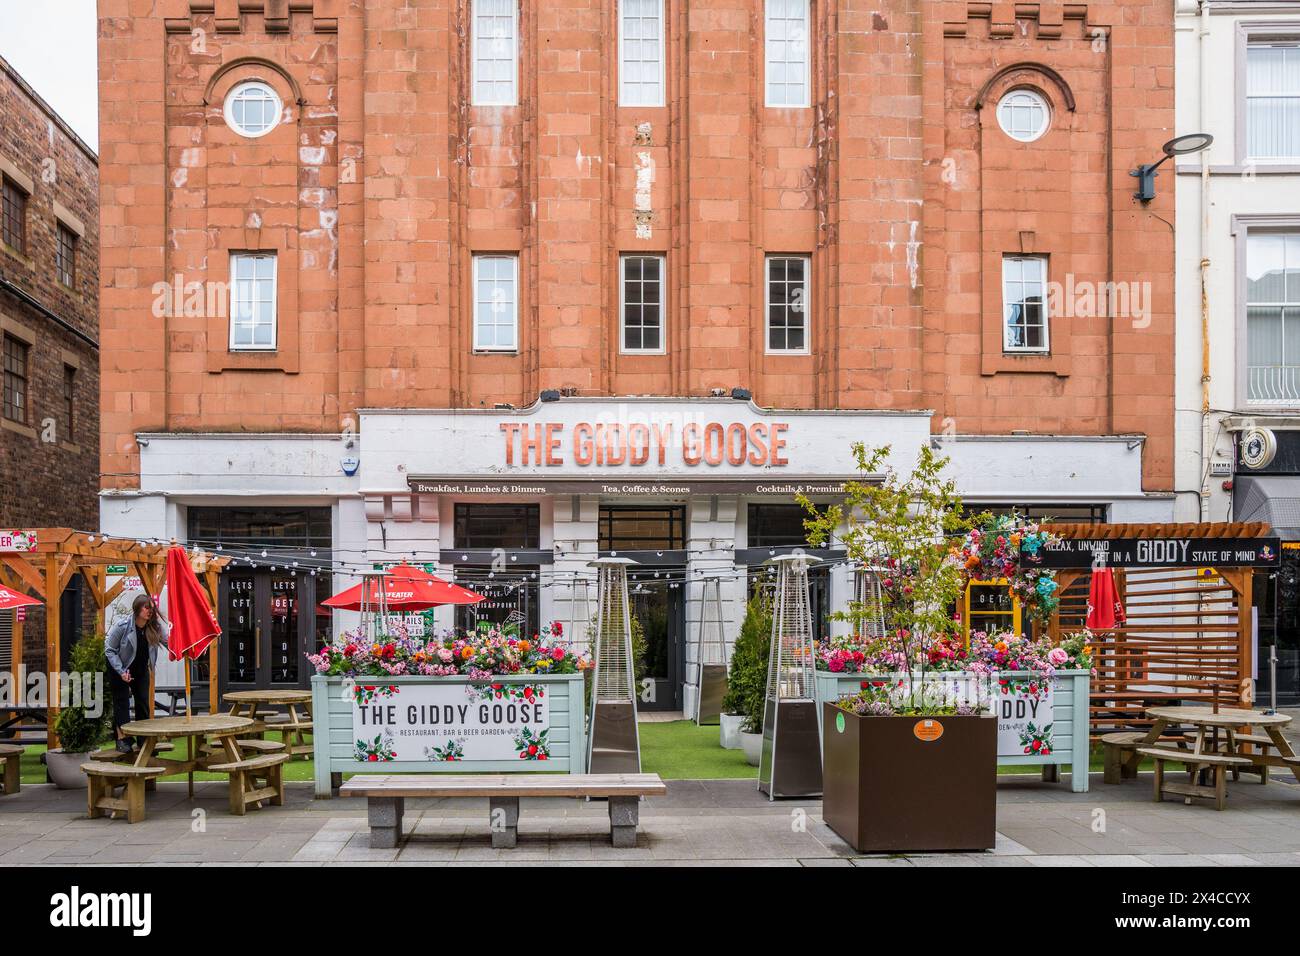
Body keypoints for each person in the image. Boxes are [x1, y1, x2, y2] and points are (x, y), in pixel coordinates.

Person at [104, 594, 171, 753]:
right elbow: (109, 649)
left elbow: (169, 643)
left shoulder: (154, 627)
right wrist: (121, 671)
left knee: (142, 702)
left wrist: (183, 651)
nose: (150, 611)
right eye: (146, 608)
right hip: (119, 668)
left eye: (152, 608)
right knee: (122, 703)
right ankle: (122, 740)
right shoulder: (123, 626)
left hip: (140, 670)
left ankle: (144, 741)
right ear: (137, 608)